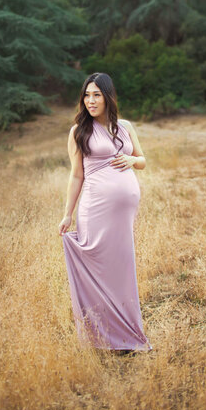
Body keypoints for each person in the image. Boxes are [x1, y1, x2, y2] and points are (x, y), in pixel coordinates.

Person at [59, 72, 152, 354]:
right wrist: (67, 214)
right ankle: (101, 338)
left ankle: (126, 332)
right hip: (94, 210)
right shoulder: (79, 131)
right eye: (86, 95)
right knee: (99, 270)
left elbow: (143, 160)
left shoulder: (124, 126)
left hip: (122, 217)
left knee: (121, 270)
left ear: (108, 96)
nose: (90, 100)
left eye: (96, 94)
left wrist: (132, 158)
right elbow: (76, 176)